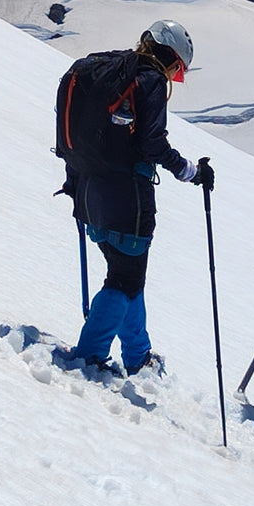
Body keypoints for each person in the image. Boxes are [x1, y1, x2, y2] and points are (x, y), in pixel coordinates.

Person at [64, 20, 213, 375]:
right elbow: (151, 143)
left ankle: (137, 355)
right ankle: (89, 354)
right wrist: (190, 170)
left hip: (87, 188)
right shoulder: (150, 81)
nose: (176, 75)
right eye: (178, 69)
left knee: (128, 274)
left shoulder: (107, 68)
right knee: (124, 279)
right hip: (126, 195)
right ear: (173, 58)